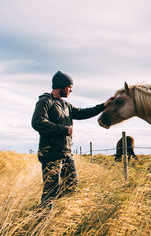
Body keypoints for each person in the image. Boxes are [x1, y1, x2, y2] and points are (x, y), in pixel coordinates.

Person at [31, 71, 114, 210]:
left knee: (72, 184)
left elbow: (82, 113)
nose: (71, 89)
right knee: (50, 190)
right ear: (61, 86)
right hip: (51, 155)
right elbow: (37, 122)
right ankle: (41, 218)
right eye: (69, 86)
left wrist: (104, 105)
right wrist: (64, 130)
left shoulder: (65, 105)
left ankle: (55, 208)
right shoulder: (46, 101)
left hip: (66, 154)